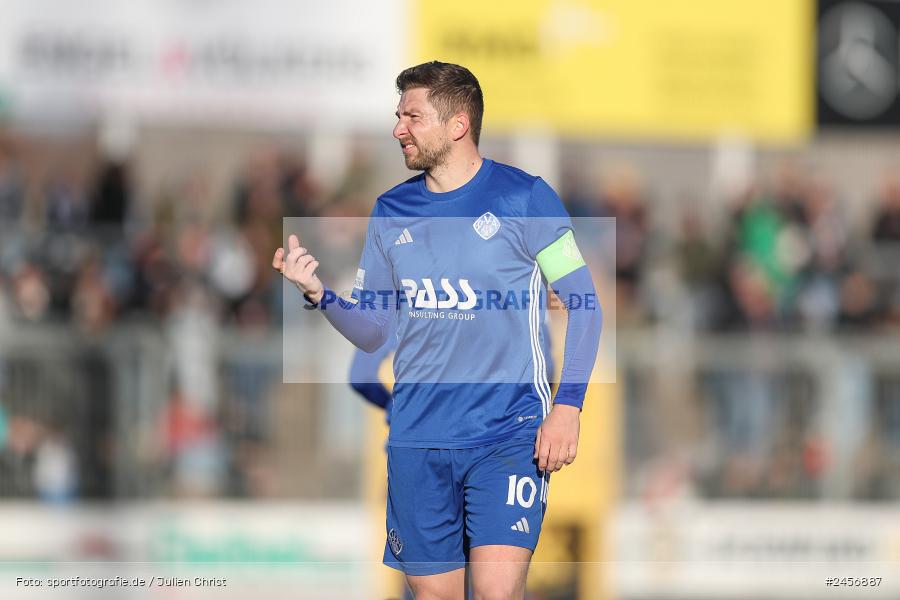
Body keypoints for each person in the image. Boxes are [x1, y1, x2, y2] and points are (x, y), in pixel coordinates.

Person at [274, 61, 601, 600]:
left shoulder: (527, 198)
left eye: (412, 115)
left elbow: (585, 305)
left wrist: (568, 405)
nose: (398, 128)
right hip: (417, 438)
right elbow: (375, 331)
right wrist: (321, 296)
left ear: (458, 124)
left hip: (508, 434)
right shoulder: (390, 210)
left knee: (497, 591)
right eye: (398, 115)